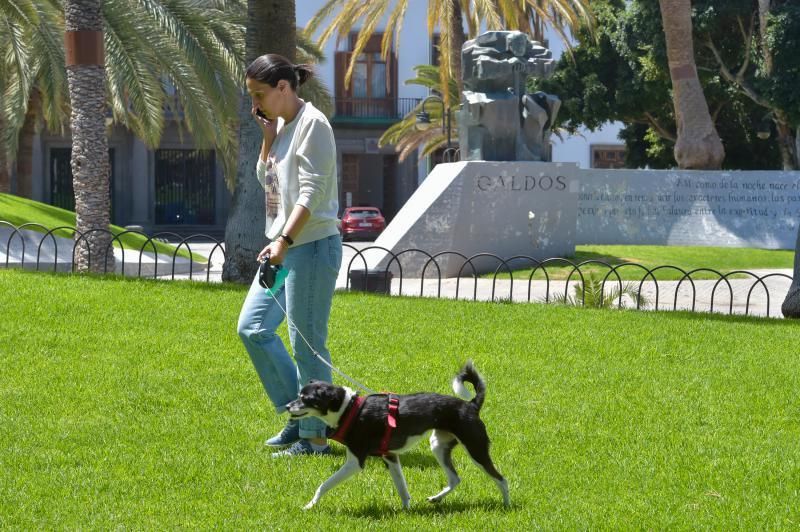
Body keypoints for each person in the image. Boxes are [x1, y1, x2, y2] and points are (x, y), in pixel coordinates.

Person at [237, 54, 342, 457]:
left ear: (284, 88)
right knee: (254, 328)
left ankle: (315, 438)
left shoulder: (314, 125)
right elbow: (267, 182)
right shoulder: (282, 128)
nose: (255, 104)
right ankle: (299, 418)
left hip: (309, 248)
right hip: (281, 251)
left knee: (306, 343)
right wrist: (267, 139)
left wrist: (283, 241)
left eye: (259, 94)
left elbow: (312, 195)